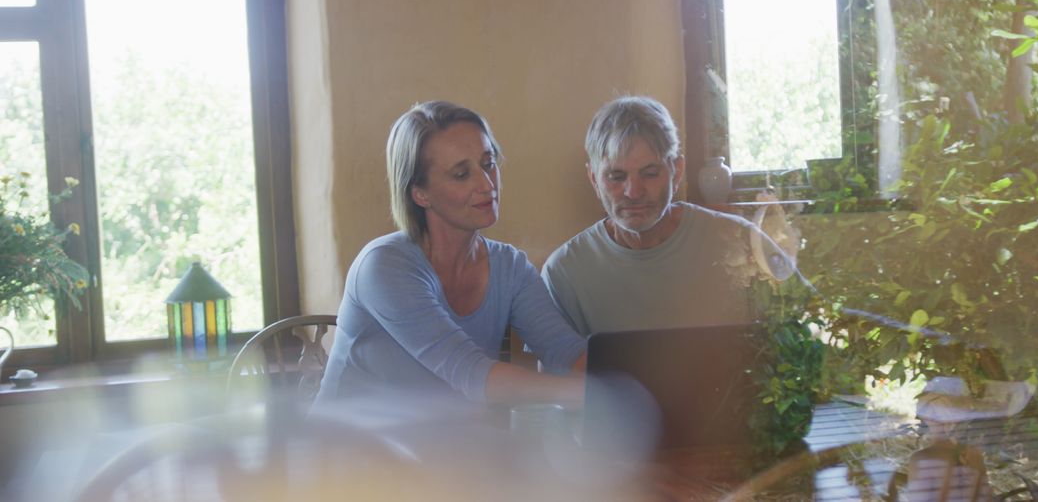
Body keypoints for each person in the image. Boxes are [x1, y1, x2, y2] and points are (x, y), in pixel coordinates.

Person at [318, 101, 586, 406]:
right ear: (420, 193)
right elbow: (471, 374)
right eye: (461, 174)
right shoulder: (383, 266)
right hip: (348, 448)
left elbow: (565, 351)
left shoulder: (509, 267)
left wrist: (633, 382)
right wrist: (591, 395)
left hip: (440, 443)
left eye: (488, 163)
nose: (487, 185)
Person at [542, 95, 795, 336]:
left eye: (650, 173)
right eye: (616, 177)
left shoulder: (740, 240)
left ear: (677, 171)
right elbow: (555, 378)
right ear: (594, 179)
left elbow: (792, 343)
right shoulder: (564, 272)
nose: (633, 192)